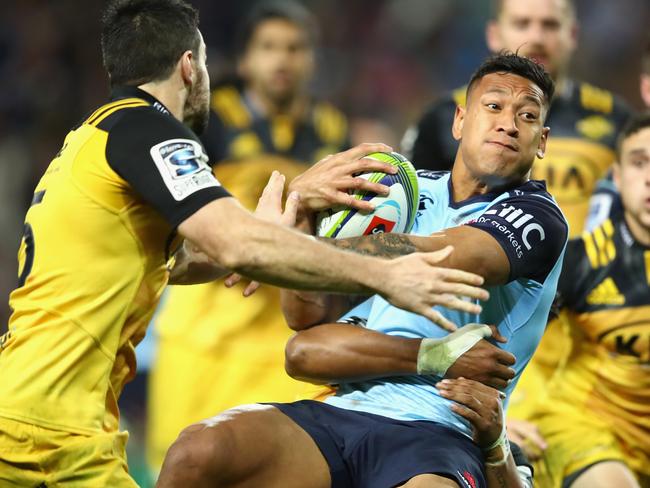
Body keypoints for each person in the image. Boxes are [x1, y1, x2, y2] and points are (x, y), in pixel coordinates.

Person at [0, 1, 489, 486]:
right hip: (53, 431)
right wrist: (384, 272)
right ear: (190, 66)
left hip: (32, 406)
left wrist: (285, 209)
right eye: (208, 62)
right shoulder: (151, 132)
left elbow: (186, 259)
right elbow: (234, 244)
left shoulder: (94, 137)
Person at [156, 53, 568, 488]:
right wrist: (302, 212)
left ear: (541, 141)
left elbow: (440, 253)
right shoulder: (398, 189)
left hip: (440, 431)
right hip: (344, 411)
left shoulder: (538, 217)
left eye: (526, 116)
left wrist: (284, 250)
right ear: (460, 121)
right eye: (494, 107)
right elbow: (305, 334)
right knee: (196, 452)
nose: (508, 123)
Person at [146, 1, 349, 471]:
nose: (282, 60)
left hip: (280, 341)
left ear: (313, 59)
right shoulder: (205, 124)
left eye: (295, 48)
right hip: (204, 337)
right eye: (269, 48)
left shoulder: (333, 130)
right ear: (245, 59)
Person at [526, 112, 650, 488]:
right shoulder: (581, 262)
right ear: (616, 177)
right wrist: (500, 419)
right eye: (639, 162)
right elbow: (493, 332)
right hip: (583, 431)